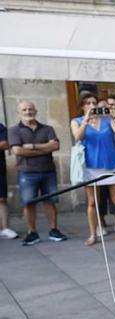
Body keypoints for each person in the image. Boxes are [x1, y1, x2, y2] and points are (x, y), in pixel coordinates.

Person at [73, 92, 115, 245]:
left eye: (94, 103)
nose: (92, 106)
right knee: (93, 202)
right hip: (90, 165)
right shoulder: (77, 121)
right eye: (88, 103)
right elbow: (78, 136)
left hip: (110, 163)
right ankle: (93, 234)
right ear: (82, 106)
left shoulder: (107, 120)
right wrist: (86, 120)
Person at [9, 101, 64, 245]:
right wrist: (45, 148)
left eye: (30, 109)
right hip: (27, 173)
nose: (28, 112)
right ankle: (32, 232)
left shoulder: (48, 129)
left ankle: (54, 230)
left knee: (50, 201)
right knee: (29, 204)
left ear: (36, 110)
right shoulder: (14, 130)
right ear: (19, 112)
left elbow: (56, 146)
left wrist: (32, 147)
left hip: (48, 171)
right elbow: (17, 151)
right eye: (24, 109)